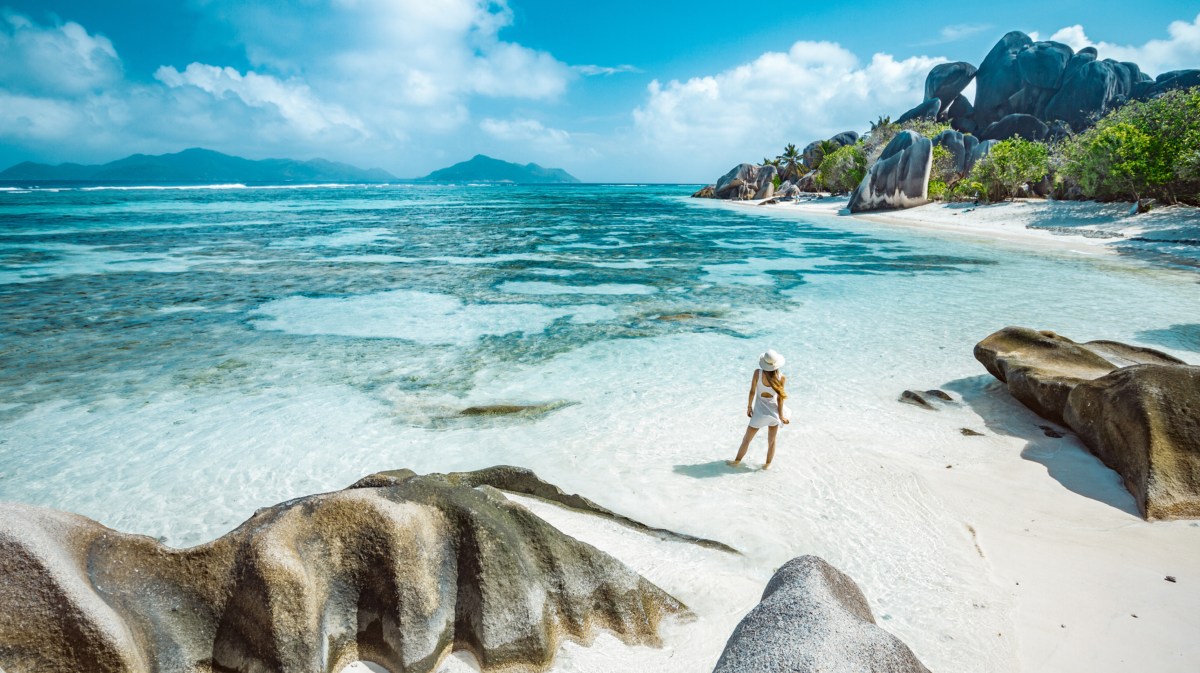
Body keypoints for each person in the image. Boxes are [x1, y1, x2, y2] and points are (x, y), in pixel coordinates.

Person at [728, 349, 789, 469]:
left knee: (746, 440)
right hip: (774, 413)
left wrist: (749, 407)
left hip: (759, 413)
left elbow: (752, 391)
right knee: (771, 442)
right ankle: (767, 466)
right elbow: (780, 399)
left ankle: (736, 462)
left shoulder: (757, 373)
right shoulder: (781, 378)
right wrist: (781, 416)